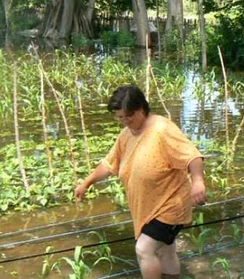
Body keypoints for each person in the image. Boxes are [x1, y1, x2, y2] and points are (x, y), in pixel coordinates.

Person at [74, 85, 206, 279]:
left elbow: (192, 156)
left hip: (170, 205)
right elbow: (109, 164)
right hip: (147, 207)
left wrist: (198, 181)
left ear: (142, 108)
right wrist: (87, 182)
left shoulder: (161, 129)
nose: (125, 121)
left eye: (129, 116)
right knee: (165, 250)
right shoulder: (126, 135)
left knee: (144, 249)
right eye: (120, 117)